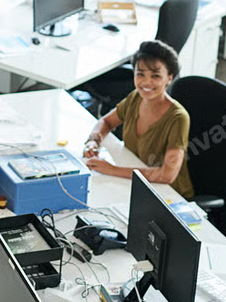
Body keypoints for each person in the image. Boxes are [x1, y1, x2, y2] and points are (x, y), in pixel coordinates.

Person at [82, 39, 194, 199]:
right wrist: (94, 140)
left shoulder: (178, 118)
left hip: (167, 193)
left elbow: (167, 175)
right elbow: (106, 122)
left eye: (155, 76)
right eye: (140, 74)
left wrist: (112, 169)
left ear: (169, 78)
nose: (146, 82)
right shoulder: (136, 97)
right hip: (133, 178)